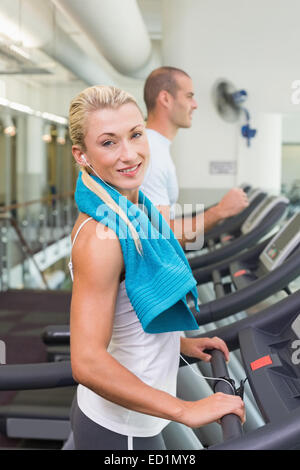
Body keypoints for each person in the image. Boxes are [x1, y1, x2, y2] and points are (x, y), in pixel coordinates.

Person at [68, 85, 245, 450]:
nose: (129, 154)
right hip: (122, 431)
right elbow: (86, 361)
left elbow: (125, 314)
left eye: (135, 135)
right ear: (82, 155)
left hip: (136, 418)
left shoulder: (136, 209)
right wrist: (185, 410)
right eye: (108, 142)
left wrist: (179, 343)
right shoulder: (102, 237)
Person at [141, 66, 249, 247]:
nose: (195, 104)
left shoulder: (156, 146)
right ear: (166, 99)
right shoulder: (151, 153)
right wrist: (220, 211)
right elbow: (161, 235)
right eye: (189, 96)